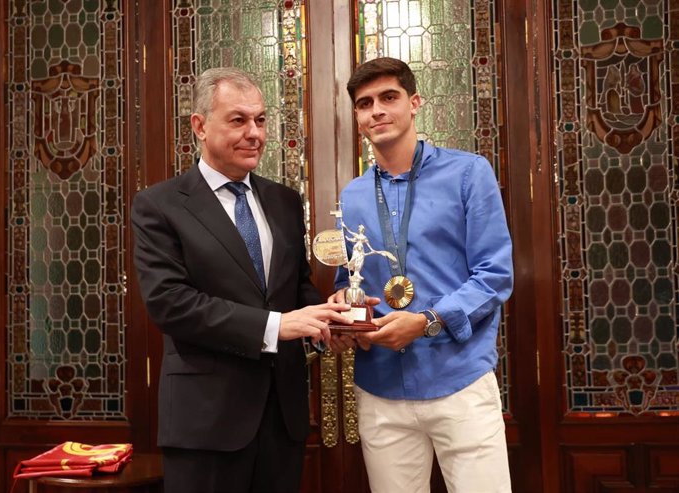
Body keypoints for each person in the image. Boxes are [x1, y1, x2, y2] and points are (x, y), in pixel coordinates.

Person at [131, 67, 349, 493]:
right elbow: (169, 302)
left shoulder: (284, 201)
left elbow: (295, 287)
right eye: (238, 120)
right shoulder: (159, 205)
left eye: (261, 120)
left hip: (282, 420)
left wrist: (328, 320)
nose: (255, 133)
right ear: (199, 125)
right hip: (206, 424)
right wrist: (275, 327)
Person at [329, 57, 513, 492]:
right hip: (380, 391)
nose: (377, 110)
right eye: (364, 103)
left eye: (389, 98)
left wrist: (427, 322)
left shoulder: (469, 173)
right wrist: (342, 307)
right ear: (356, 117)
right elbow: (348, 277)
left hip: (459, 380)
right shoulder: (352, 196)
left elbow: (495, 275)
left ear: (414, 103)